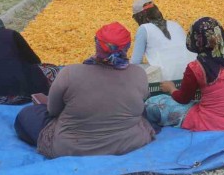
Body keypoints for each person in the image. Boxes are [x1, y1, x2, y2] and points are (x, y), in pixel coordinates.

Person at [14, 22, 155, 158]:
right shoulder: (139, 74)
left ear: (97, 43)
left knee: (27, 114)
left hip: (71, 147)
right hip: (128, 142)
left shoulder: (70, 73)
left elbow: (53, 111)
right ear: (127, 47)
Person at [145, 17, 224, 132]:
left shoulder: (196, 68)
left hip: (220, 124)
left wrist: (171, 88)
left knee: (153, 103)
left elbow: (183, 99)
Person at [130, 0, 196, 82]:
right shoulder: (175, 25)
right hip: (190, 75)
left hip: (167, 79)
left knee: (134, 69)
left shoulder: (144, 29)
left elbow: (135, 62)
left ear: (139, 17)